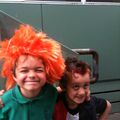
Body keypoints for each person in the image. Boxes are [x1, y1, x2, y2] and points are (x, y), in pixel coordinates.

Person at [0, 24, 65, 120]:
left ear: (46, 72)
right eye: (24, 70)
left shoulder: (51, 93)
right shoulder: (5, 101)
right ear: (14, 75)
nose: (32, 75)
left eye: (38, 70)